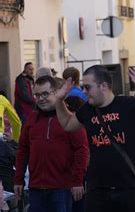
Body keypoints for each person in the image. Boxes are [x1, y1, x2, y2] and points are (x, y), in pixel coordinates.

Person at [54, 65, 135, 212]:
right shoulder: (87, 109)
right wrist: (59, 101)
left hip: (129, 188)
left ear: (103, 86)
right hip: (97, 190)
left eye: (88, 87)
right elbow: (68, 124)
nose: (84, 92)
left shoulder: (129, 104)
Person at [14, 75, 89, 212]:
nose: (41, 99)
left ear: (57, 93)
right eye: (37, 95)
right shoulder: (31, 119)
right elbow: (23, 150)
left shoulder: (71, 119)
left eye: (45, 94)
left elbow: (82, 150)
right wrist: (18, 179)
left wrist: (78, 181)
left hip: (62, 189)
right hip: (35, 188)